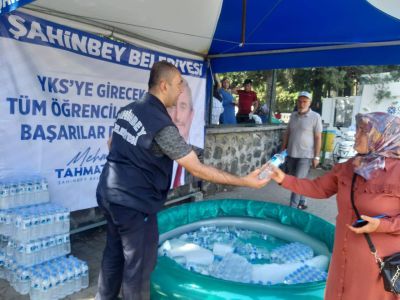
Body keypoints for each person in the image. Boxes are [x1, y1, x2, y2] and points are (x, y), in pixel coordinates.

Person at [95, 61, 269, 300]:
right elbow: (196, 169)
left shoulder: (128, 109)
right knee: (138, 268)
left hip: (108, 194)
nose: (180, 90)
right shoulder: (160, 123)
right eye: (178, 84)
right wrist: (245, 181)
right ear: (164, 85)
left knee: (113, 254)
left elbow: (112, 144)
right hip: (134, 204)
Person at [266, 112, 400, 300]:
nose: (355, 134)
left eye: (363, 131)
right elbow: (319, 188)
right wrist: (283, 179)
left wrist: (382, 225)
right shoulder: (350, 166)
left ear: (380, 137)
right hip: (343, 256)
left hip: (377, 264)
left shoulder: (397, 171)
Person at [282, 91, 322, 210]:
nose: (302, 104)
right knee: (298, 179)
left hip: (306, 155)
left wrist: (317, 157)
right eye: (299, 101)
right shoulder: (293, 116)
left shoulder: (315, 117)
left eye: (305, 101)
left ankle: (292, 209)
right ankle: (302, 201)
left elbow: (318, 137)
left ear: (309, 103)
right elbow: (287, 133)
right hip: (291, 153)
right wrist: (282, 150)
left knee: (297, 182)